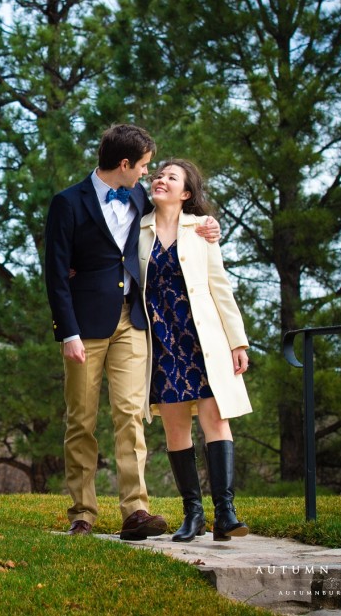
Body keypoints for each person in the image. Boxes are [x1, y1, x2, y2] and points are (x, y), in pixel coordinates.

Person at [44, 124, 219, 539]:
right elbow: (54, 272)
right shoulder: (68, 203)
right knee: (81, 421)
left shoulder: (144, 197)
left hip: (134, 321)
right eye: (141, 166)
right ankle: (83, 513)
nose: (146, 173)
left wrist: (208, 225)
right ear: (124, 164)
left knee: (131, 416)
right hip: (84, 328)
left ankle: (136, 510)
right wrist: (67, 332)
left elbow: (180, 216)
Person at [137, 158, 251, 542]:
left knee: (215, 419)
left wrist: (238, 340)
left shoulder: (202, 229)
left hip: (203, 339)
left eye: (171, 177)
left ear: (186, 193)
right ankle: (193, 514)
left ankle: (226, 513)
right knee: (175, 427)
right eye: (158, 175)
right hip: (161, 341)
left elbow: (220, 285)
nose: (160, 179)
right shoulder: (138, 229)